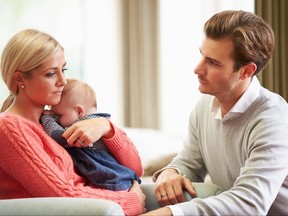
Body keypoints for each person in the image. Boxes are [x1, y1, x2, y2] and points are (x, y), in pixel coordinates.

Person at [144, 10, 288, 215]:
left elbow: (250, 203)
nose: (197, 68)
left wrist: (173, 213)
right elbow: (189, 162)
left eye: (212, 62)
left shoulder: (273, 121)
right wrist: (171, 172)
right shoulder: (204, 107)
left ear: (246, 71)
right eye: (202, 55)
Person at [0, 28, 145, 215]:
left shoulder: (53, 125)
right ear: (20, 79)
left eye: (63, 70)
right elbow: (61, 194)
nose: (63, 81)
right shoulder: (9, 127)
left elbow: (135, 168)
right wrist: (131, 201)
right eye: (51, 73)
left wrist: (107, 128)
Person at [41, 78, 141, 191]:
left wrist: (47, 118)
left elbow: (59, 136)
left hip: (112, 183)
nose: (57, 120)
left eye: (59, 116)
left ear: (79, 111)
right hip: (117, 182)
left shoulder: (83, 127)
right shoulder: (100, 119)